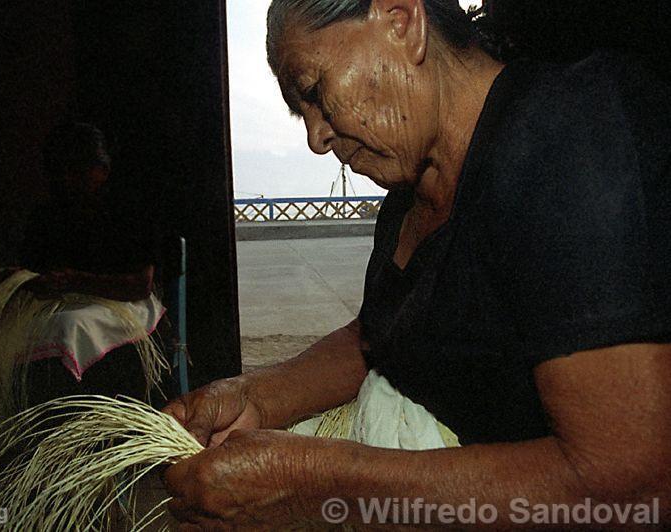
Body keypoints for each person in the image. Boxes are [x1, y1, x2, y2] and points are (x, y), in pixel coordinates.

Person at [161, 0, 671, 529]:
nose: (315, 138)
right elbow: (382, 335)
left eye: (315, 92)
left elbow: (631, 487)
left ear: (401, 22)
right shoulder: (409, 199)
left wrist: (318, 487)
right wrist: (256, 397)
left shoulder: (569, 145)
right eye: (300, 113)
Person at [21, 122, 156, 301]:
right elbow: (33, 272)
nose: (67, 179)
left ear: (104, 170)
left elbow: (140, 286)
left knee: (69, 319)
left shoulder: (126, 215)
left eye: (77, 170)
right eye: (59, 171)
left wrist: (74, 280)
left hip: (121, 304)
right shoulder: (47, 216)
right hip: (61, 302)